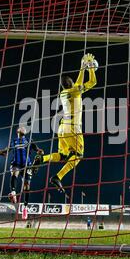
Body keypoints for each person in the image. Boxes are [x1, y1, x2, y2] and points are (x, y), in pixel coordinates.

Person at [32, 54, 97, 196]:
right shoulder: (75, 91)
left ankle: (42, 158)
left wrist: (88, 68)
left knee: (63, 155)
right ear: (72, 83)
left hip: (62, 128)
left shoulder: (63, 92)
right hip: (73, 127)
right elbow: (92, 82)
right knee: (78, 156)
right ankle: (57, 177)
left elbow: (90, 82)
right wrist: (86, 67)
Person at [0, 127, 43, 220]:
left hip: (27, 165)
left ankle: (25, 208)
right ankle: (13, 193)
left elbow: (38, 150)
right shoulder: (13, 141)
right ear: (17, 131)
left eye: (24, 128)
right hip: (16, 164)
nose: (23, 128)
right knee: (15, 173)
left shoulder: (29, 140)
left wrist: (40, 152)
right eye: (21, 127)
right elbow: (4, 153)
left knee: (27, 186)